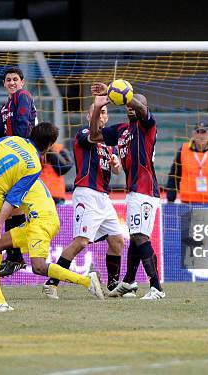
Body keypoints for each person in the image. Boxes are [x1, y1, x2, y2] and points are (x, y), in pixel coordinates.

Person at [0, 124, 104, 310]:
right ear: (48, 145)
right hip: (34, 219)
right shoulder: (29, 167)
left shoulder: (20, 163)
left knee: (37, 266)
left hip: (42, 220)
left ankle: (86, 281)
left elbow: (13, 201)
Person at [42, 86, 124, 299]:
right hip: (86, 193)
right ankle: (51, 283)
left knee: (117, 240)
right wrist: (99, 104)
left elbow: (116, 171)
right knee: (81, 242)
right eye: (98, 111)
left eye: (105, 112)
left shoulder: (109, 145)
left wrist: (116, 165)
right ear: (90, 115)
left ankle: (113, 284)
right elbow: (94, 135)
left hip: (103, 197)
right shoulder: (84, 134)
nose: (102, 115)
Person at [89, 87, 164, 300]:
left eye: (135, 104)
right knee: (136, 236)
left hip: (145, 189)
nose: (131, 107)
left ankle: (156, 287)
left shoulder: (147, 126)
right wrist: (98, 106)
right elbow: (94, 135)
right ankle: (129, 280)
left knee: (140, 237)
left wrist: (126, 95)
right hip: (134, 191)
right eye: (129, 105)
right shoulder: (122, 130)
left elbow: (139, 106)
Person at [0, 66, 37, 277]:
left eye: (15, 79)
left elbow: (20, 129)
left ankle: (16, 256)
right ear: (4, 84)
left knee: (13, 204)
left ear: (22, 82)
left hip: (22, 156)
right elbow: (0, 134)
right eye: (8, 80)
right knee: (14, 206)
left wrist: (13, 146)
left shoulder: (23, 96)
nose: (12, 83)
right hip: (15, 155)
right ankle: (15, 257)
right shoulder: (5, 106)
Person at [166, 122, 208, 204]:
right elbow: (174, 176)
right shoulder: (183, 149)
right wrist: (170, 200)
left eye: (204, 132)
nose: (201, 136)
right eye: (198, 132)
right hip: (187, 201)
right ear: (193, 134)